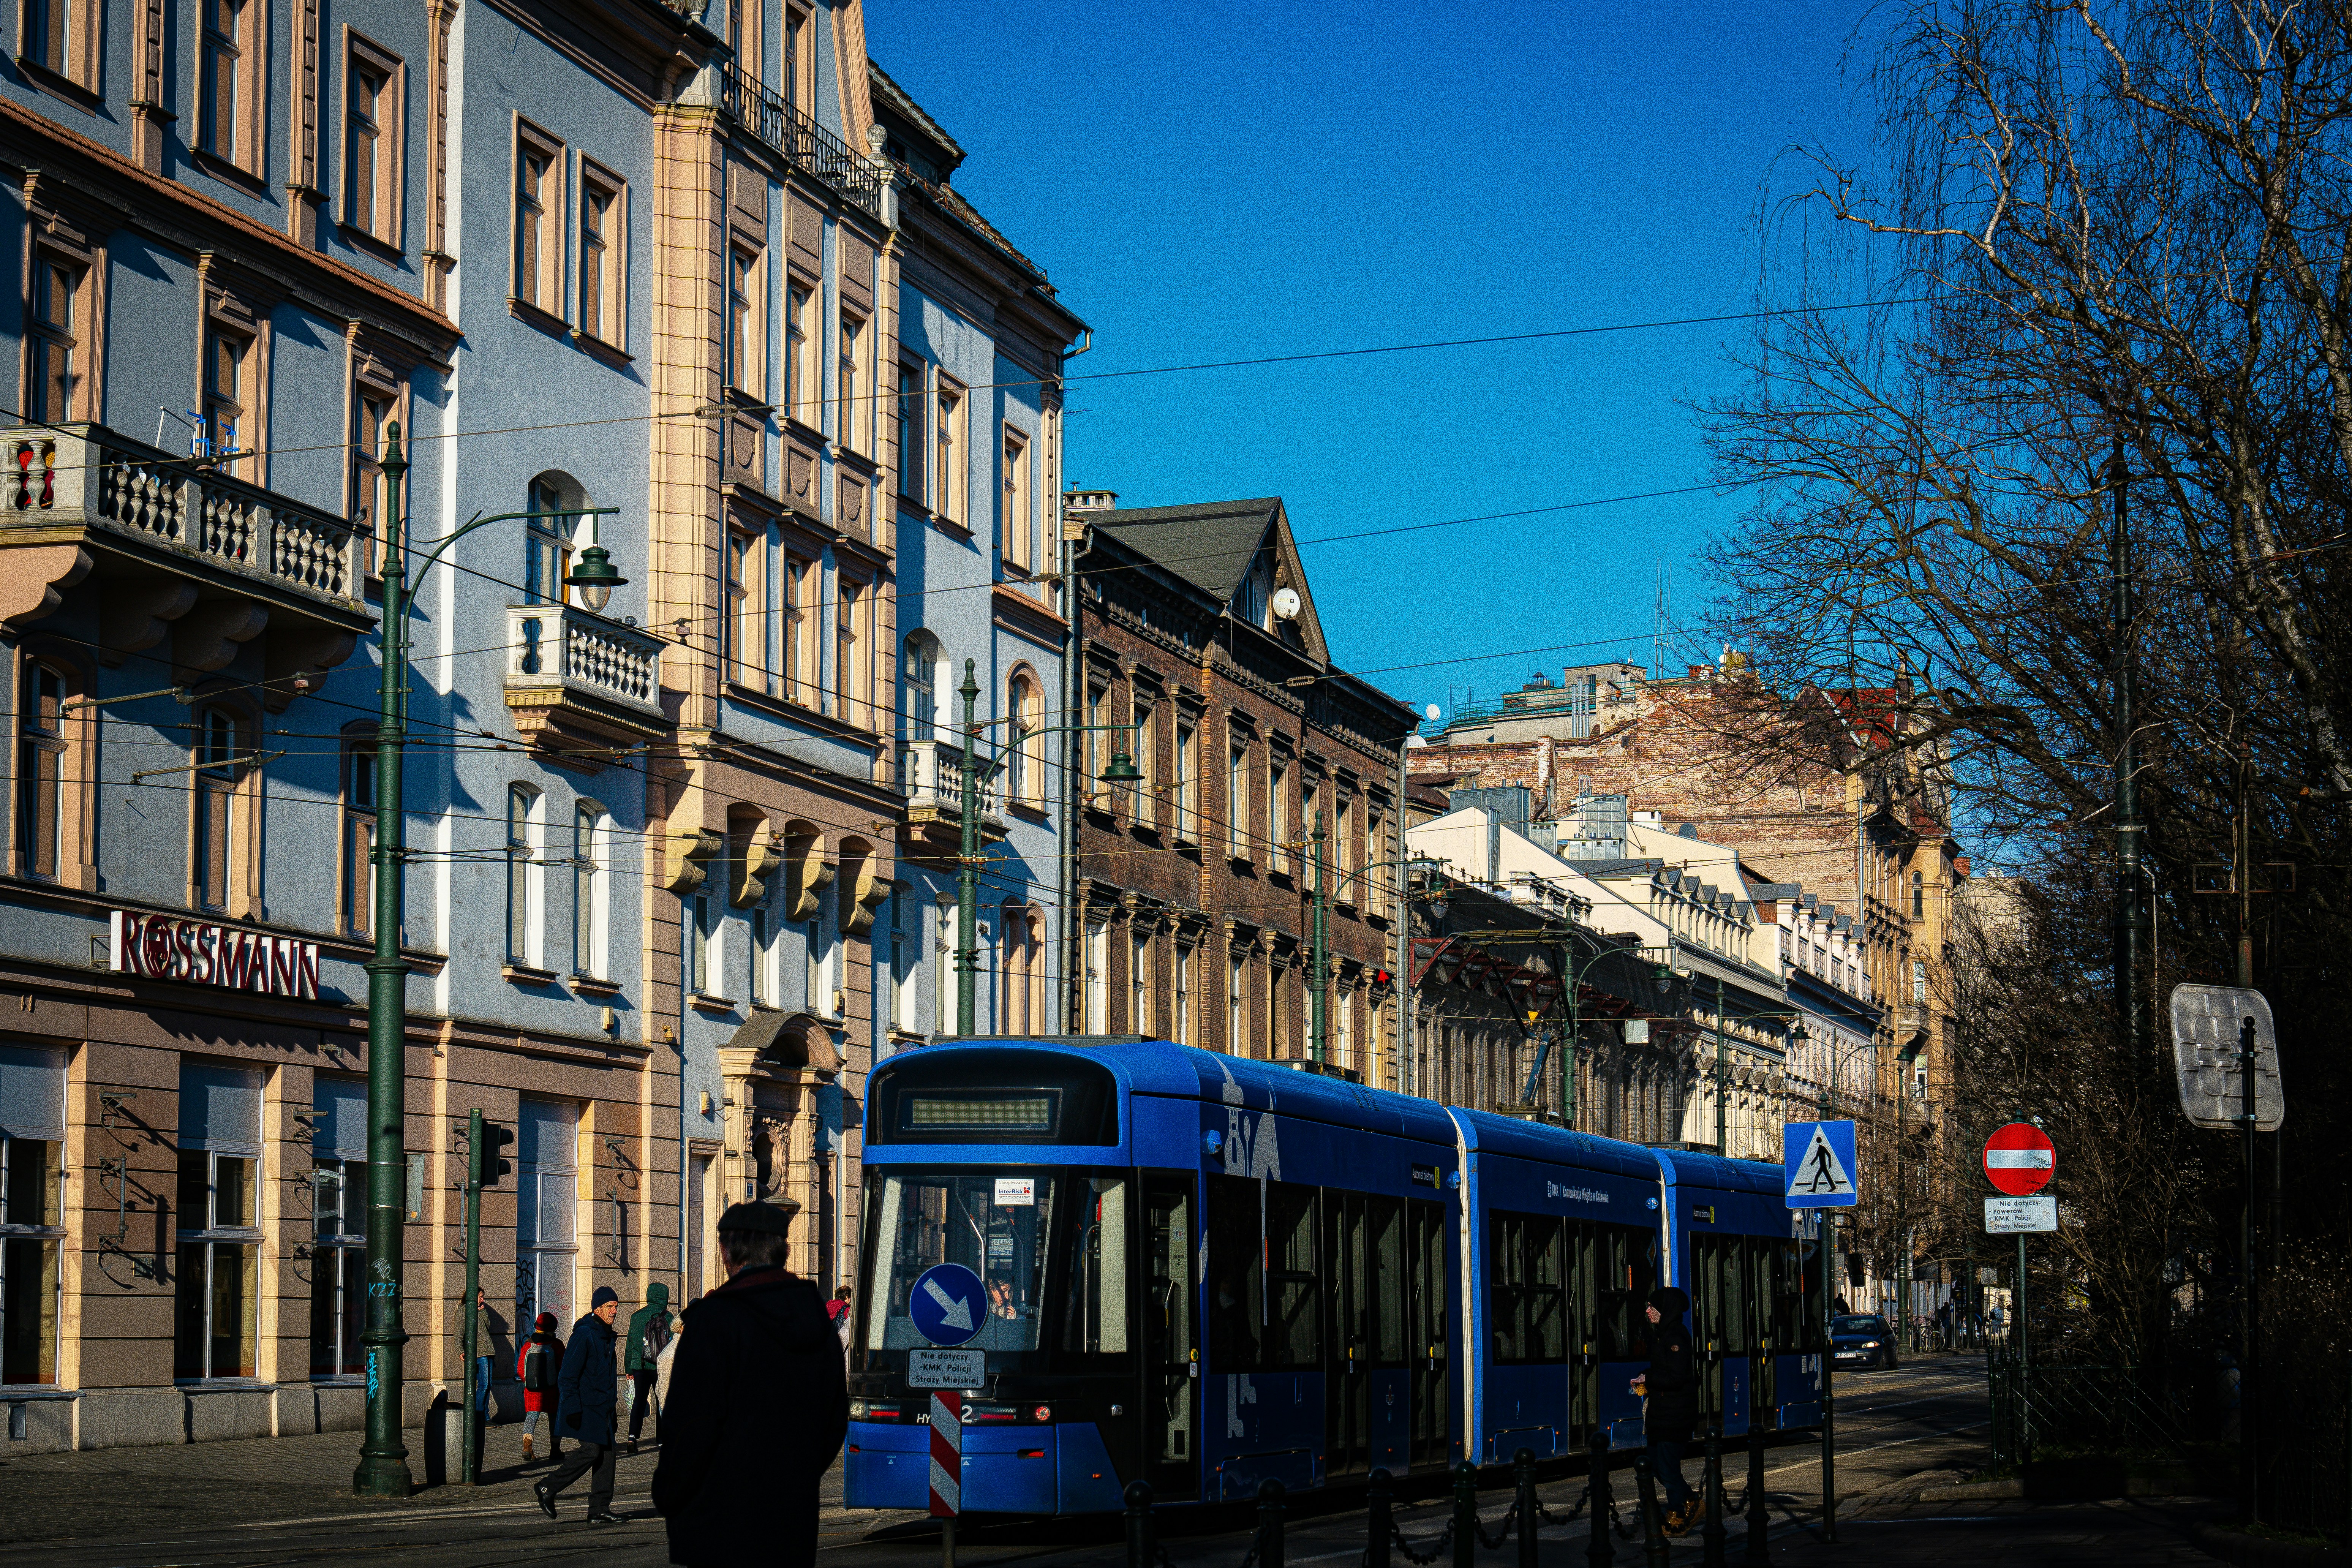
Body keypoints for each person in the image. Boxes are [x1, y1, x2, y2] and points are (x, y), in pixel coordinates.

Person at [653, 1202, 847, 1568]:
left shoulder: (715, 1319)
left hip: (717, 1517)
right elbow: (834, 1419)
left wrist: (670, 1493)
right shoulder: (817, 1320)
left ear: (726, 1252)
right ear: (784, 1251)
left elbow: (690, 1424)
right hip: (791, 1517)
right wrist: (796, 1474)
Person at [535, 1285, 624, 1526]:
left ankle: (599, 1509)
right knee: (591, 1451)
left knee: (608, 1455)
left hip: (602, 1408)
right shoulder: (584, 1335)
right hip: (584, 1407)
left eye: (616, 1306)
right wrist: (573, 1408)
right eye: (610, 1307)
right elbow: (567, 1377)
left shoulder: (607, 1337)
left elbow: (608, 1378)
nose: (615, 1311)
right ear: (597, 1309)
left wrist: (613, 1411)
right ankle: (547, 1487)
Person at [1628, 1286, 1699, 1537]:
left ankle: (1679, 1514)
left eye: (1652, 1308)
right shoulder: (1663, 1334)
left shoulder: (1676, 1337)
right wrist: (1647, 1376)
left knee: (1668, 1468)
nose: (1648, 1311)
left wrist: (1649, 1377)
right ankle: (1690, 1500)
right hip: (1663, 1413)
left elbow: (1676, 1377)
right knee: (1657, 1465)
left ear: (1665, 1310)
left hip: (1674, 1414)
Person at [624, 1282, 672, 1455]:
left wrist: (628, 1368)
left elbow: (629, 1345)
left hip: (640, 1366)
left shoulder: (636, 1317)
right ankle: (661, 1441)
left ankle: (632, 1437)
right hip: (661, 1367)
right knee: (662, 1402)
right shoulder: (668, 1317)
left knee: (638, 1402)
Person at [517, 1311, 566, 1465]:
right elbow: (563, 1367)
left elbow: (520, 1369)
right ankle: (555, 1450)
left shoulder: (527, 1345)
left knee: (531, 1417)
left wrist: (530, 1383)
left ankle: (527, 1446)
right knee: (554, 1418)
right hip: (552, 1390)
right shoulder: (556, 1345)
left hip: (532, 1390)